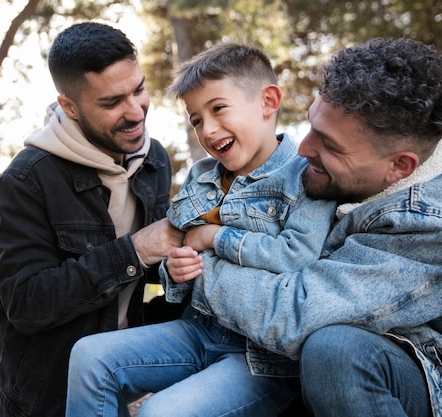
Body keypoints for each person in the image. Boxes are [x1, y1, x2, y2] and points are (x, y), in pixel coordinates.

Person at [178, 37, 442, 417]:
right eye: (313, 124)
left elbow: (292, 316)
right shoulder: (382, 150)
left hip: (438, 383)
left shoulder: (433, 227)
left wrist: (196, 257)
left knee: (336, 352)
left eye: (330, 146)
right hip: (373, 345)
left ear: (400, 166)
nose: (302, 149)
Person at [66, 42, 336, 416]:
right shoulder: (201, 177)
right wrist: (174, 270)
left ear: (268, 101)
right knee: (90, 355)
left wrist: (215, 237)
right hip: (198, 330)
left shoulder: (305, 178)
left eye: (218, 109)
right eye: (196, 120)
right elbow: (177, 258)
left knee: (161, 412)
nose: (207, 130)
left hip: (260, 357)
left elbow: (297, 256)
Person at [0, 22, 185, 417]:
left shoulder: (154, 159)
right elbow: (26, 304)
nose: (135, 112)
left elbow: (150, 269)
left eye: (139, 89)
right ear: (69, 107)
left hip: (121, 370)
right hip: (48, 392)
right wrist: (136, 249)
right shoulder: (25, 181)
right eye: (112, 103)